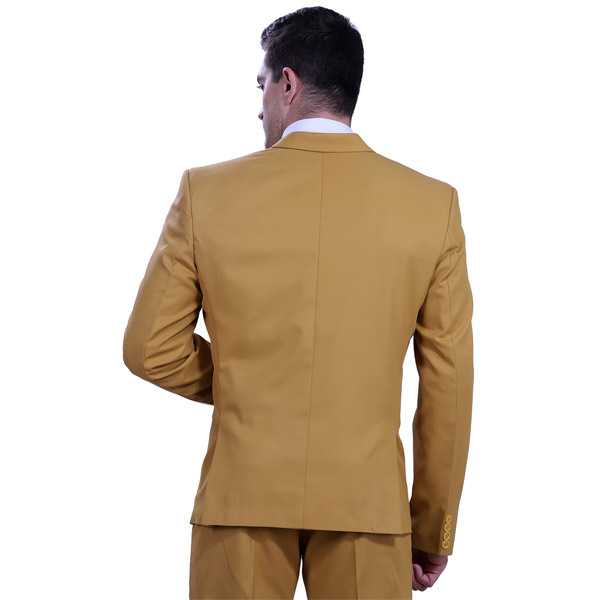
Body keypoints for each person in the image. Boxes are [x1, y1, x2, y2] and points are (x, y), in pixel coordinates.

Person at [122, 6, 474, 599]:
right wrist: (433, 525)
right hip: (368, 507)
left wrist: (249, 381)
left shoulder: (205, 192)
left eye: (260, 85)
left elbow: (148, 348)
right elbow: (449, 384)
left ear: (287, 83)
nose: (258, 107)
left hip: (242, 497)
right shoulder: (431, 206)